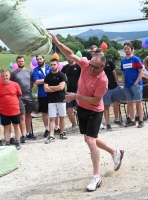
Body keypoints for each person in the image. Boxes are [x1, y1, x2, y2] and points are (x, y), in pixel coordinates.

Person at [49, 31, 124, 192]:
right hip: (82, 108)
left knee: (90, 141)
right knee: (90, 139)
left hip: (94, 111)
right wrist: (56, 41)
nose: (90, 68)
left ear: (102, 67)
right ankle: (115, 152)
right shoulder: (85, 64)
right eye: (90, 65)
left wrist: (76, 96)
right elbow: (69, 53)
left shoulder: (102, 80)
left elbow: (96, 100)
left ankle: (96, 177)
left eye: (95, 67)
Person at [95, 49, 124, 130]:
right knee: (106, 106)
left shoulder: (109, 62)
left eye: (101, 53)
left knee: (116, 103)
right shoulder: (96, 65)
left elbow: (114, 72)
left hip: (114, 86)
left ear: (103, 54)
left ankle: (116, 119)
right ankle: (108, 123)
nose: (100, 55)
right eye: (98, 54)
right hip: (104, 89)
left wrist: (117, 81)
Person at [32, 55, 60, 137]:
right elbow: (36, 82)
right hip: (42, 94)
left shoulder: (50, 67)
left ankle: (56, 127)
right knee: (44, 112)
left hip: (52, 93)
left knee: (55, 111)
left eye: (40, 59)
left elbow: (56, 77)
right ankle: (47, 129)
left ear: (44, 59)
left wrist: (44, 80)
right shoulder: (35, 70)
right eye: (37, 59)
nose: (39, 60)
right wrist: (48, 79)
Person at [0, 70, 22, 150]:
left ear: (9, 76)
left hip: (15, 110)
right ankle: (7, 143)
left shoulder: (15, 85)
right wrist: (4, 102)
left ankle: (17, 142)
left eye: (6, 75)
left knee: (16, 126)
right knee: (6, 127)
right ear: (1, 77)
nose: (5, 77)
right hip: (3, 111)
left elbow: (19, 96)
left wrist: (13, 102)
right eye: (3, 76)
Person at [10, 56, 36, 143]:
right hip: (20, 98)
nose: (20, 62)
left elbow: (32, 83)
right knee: (22, 116)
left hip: (29, 96)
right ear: (16, 62)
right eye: (19, 61)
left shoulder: (29, 71)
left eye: (22, 61)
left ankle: (28, 133)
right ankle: (23, 135)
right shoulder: (14, 73)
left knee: (29, 115)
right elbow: (12, 85)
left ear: (24, 61)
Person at [44, 58, 68, 144]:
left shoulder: (62, 75)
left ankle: (62, 132)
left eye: (54, 64)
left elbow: (62, 87)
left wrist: (51, 87)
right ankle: (51, 135)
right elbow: (46, 89)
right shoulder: (48, 76)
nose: (52, 66)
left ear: (57, 65)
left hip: (61, 99)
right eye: (51, 65)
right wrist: (56, 87)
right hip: (51, 100)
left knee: (62, 116)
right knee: (52, 118)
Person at [121, 42, 144, 128]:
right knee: (130, 103)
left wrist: (136, 82)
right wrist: (123, 83)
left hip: (136, 85)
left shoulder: (136, 59)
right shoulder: (123, 61)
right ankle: (132, 120)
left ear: (131, 49)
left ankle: (141, 120)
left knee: (139, 102)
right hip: (127, 85)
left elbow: (141, 71)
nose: (126, 50)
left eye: (128, 48)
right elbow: (123, 73)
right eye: (125, 48)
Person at [61, 59, 81, 131]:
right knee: (69, 109)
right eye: (68, 58)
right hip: (69, 91)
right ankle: (75, 125)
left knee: (80, 109)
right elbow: (61, 76)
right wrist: (64, 82)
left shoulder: (78, 66)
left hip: (79, 91)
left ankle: (82, 124)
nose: (69, 60)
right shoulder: (65, 67)